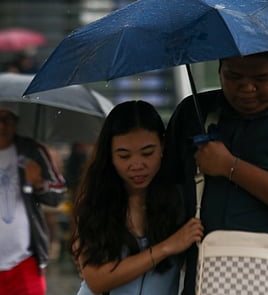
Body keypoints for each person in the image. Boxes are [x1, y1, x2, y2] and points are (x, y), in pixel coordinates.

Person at [162, 49, 268, 295]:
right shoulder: (193, 113)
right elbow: (165, 193)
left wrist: (230, 166)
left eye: (261, 78)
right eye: (234, 77)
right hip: (205, 282)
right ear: (219, 69)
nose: (247, 88)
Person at [70, 100, 204, 295]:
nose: (137, 165)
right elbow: (97, 280)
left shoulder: (181, 199)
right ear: (110, 155)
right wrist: (167, 247)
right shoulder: (96, 201)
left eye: (147, 153)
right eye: (124, 156)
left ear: (163, 147)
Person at [0, 102, 66, 295]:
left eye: (7, 119)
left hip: (25, 261)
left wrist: (38, 183)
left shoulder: (31, 151)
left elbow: (58, 193)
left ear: (16, 122)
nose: (2, 126)